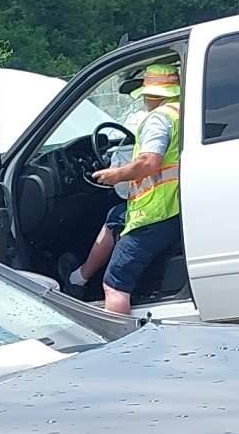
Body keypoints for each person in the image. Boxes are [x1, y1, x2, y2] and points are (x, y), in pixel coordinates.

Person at [70, 62, 183, 314]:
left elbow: (148, 162)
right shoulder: (181, 113)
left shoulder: (159, 119)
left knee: (114, 285)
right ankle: (78, 278)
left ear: (150, 94)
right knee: (114, 217)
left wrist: (115, 175)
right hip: (174, 206)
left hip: (154, 214)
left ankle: (124, 348)